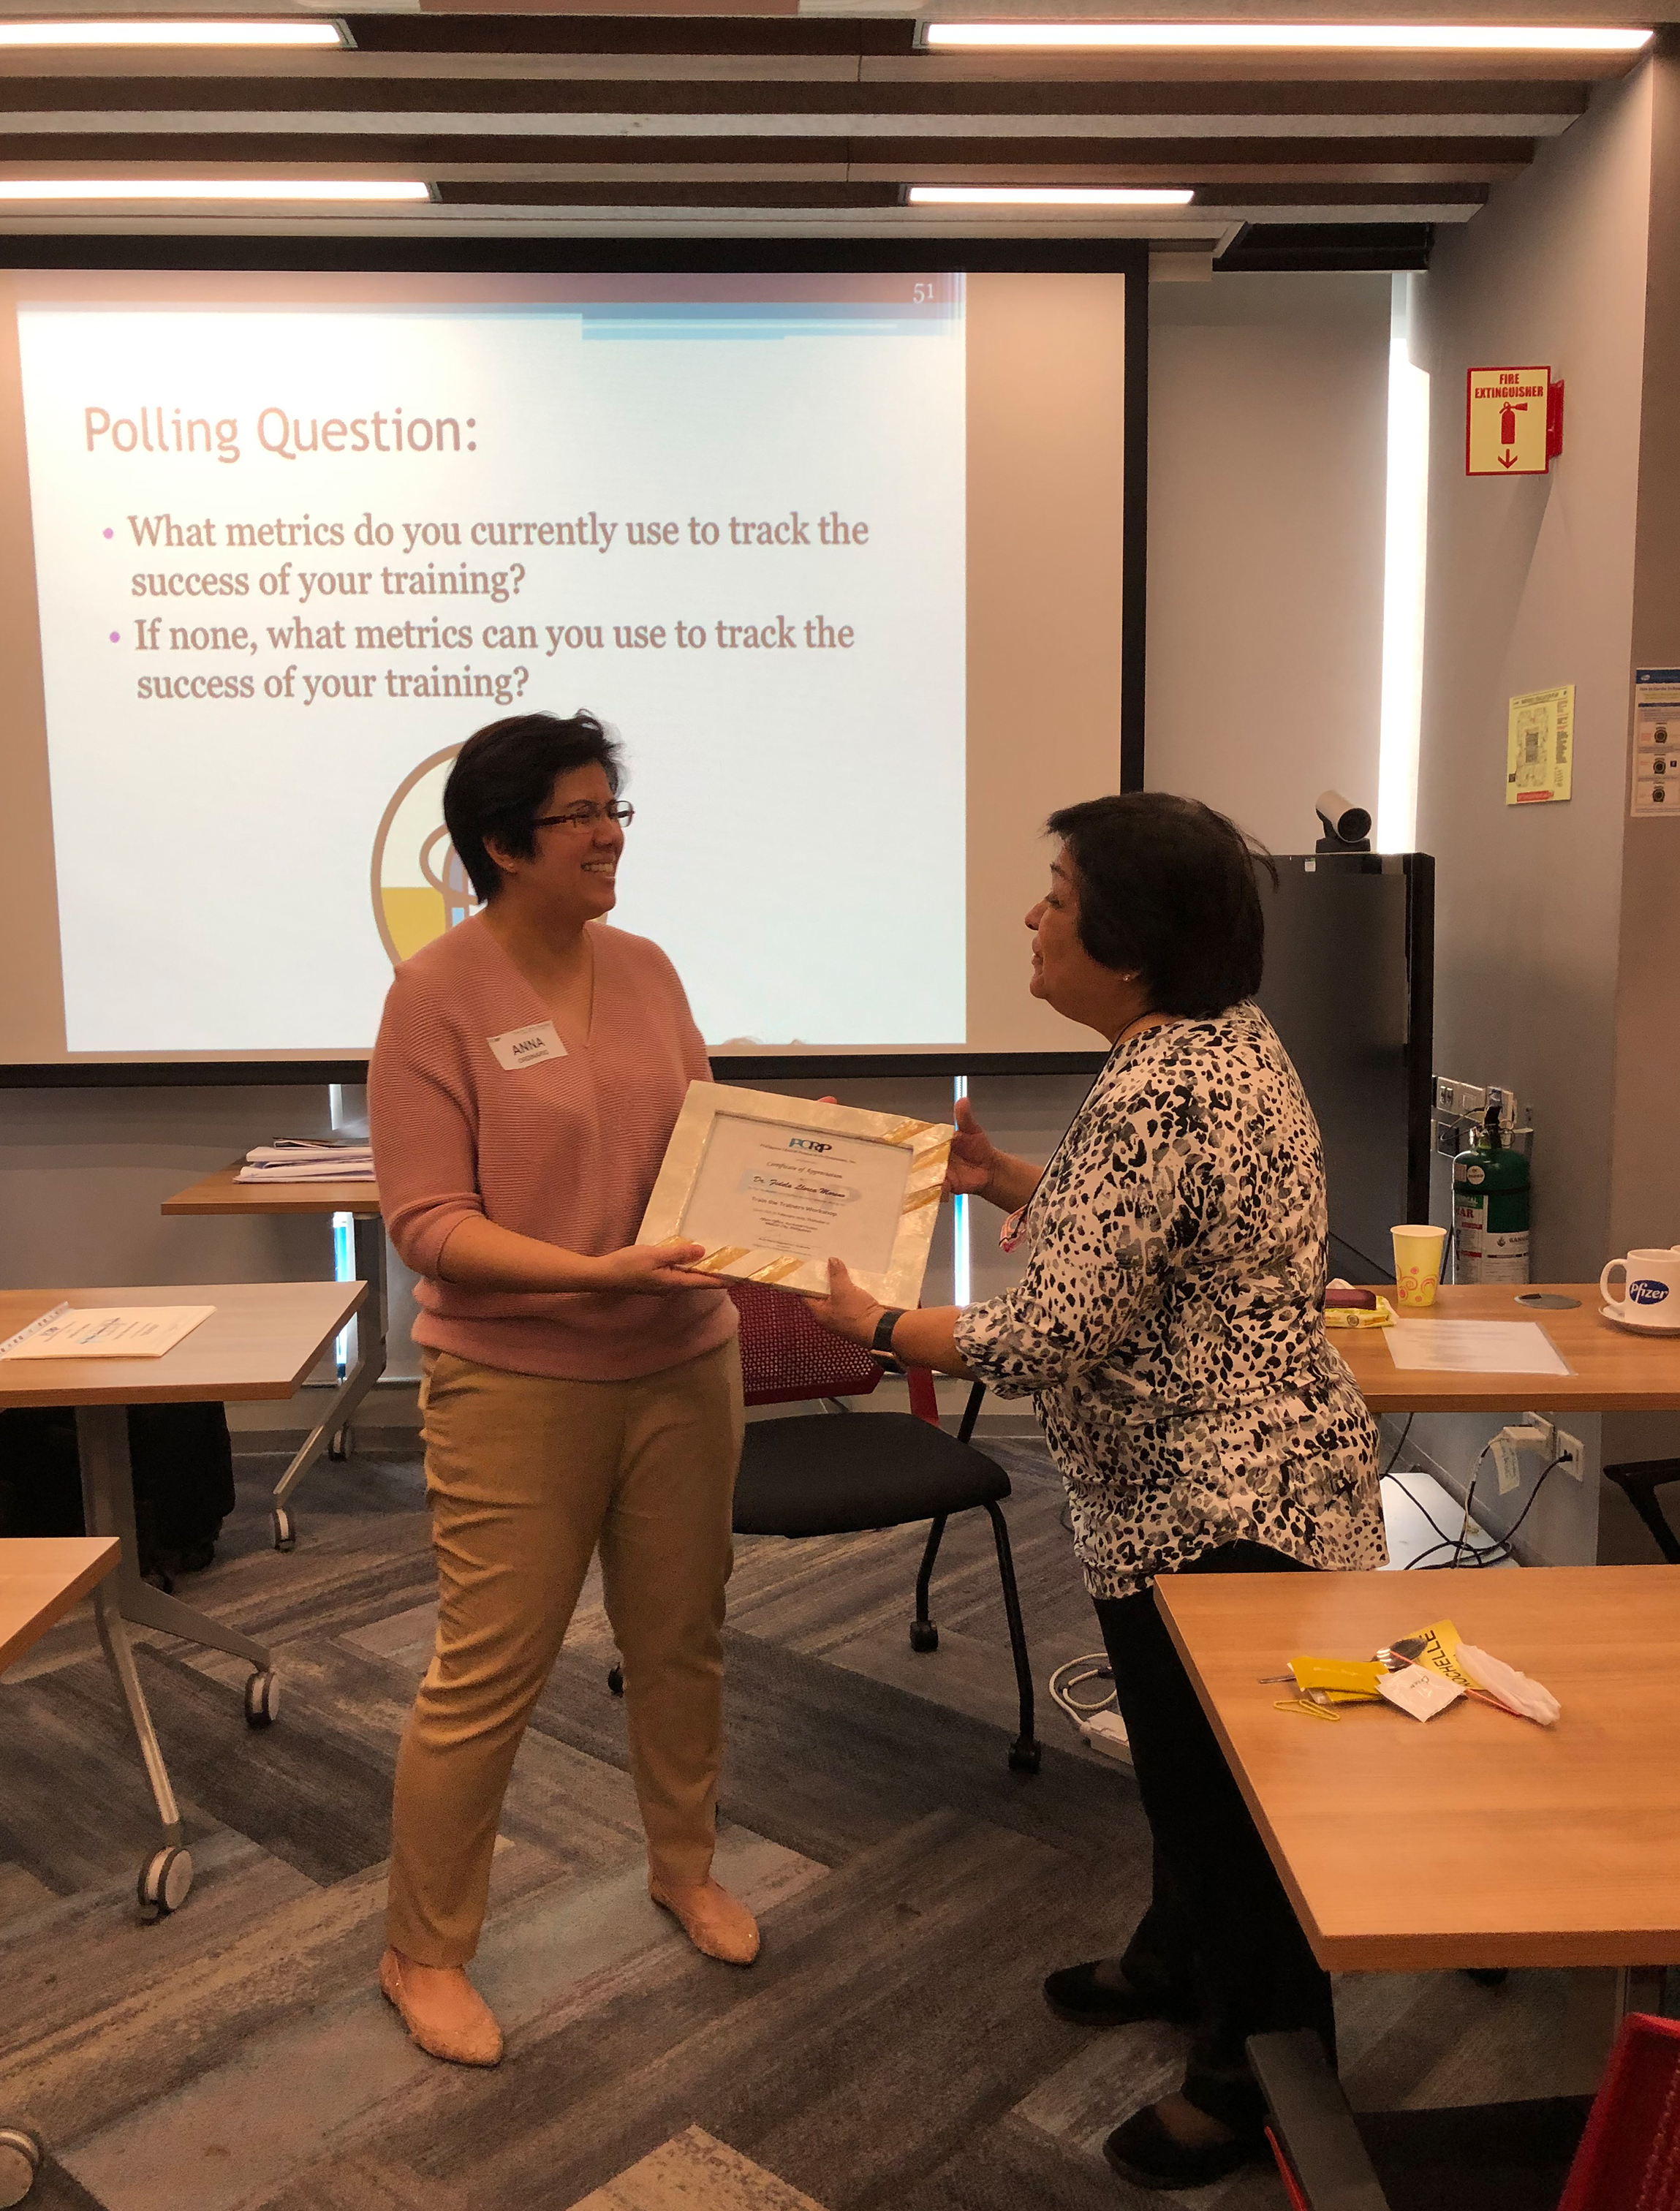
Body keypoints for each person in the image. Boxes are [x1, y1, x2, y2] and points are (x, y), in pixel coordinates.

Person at [806, 791, 1383, 2190]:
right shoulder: (1211, 1047)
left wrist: (875, 1328)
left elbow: (1050, 1331)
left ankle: (1250, 2082)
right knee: (1196, 1782)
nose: (1032, 916)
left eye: (1057, 897)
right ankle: (1175, 1961)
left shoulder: (1157, 1088)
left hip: (1214, 1505)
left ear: (1127, 945)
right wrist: (999, 1176)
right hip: (1237, 1485)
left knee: (1227, 1809)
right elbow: (1145, 1235)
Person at [368, 709, 755, 2071]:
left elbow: (708, 1148)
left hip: (684, 1361)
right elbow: (426, 1222)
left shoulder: (645, 969)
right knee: (489, 1671)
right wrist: (592, 1277)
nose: (608, 838)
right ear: (501, 844)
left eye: (612, 811)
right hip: (517, 1380)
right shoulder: (436, 996)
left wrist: (797, 1186)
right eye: (579, 817)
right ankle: (422, 1949)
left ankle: (683, 1866)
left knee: (681, 1639)